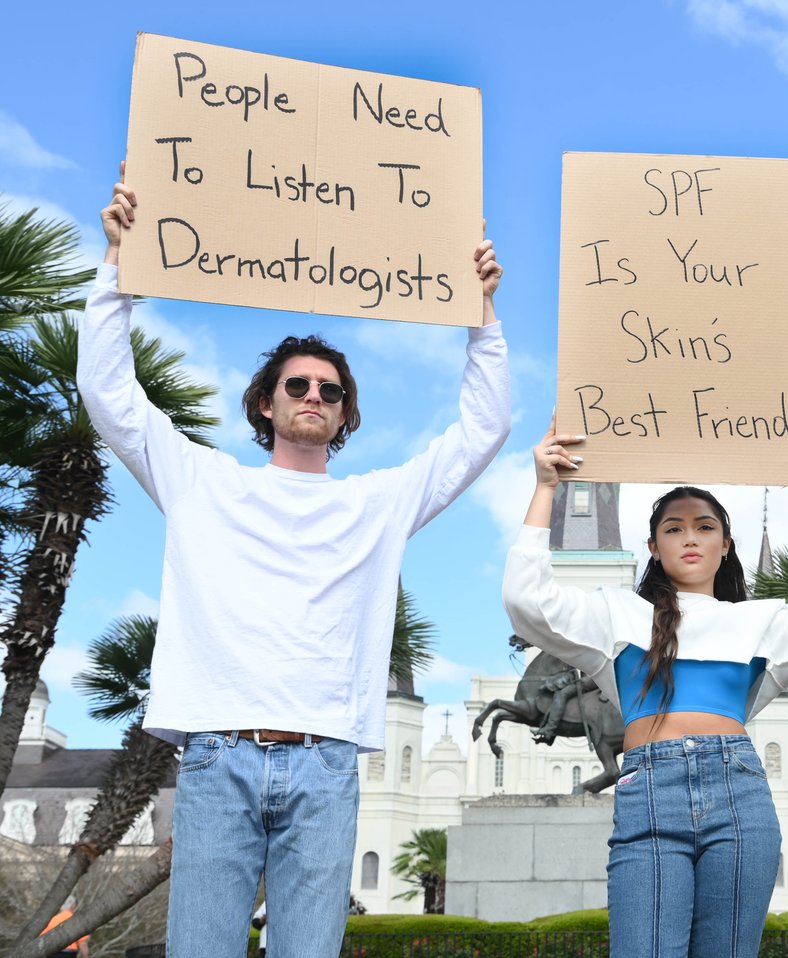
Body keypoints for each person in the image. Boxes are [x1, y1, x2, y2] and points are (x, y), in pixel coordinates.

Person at [79, 165, 511, 958]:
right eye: (297, 384)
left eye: (331, 389)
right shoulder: (202, 481)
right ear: (266, 404)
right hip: (219, 758)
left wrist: (481, 316)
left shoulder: (376, 504)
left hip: (325, 767)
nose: (314, 394)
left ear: (345, 413)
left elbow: (482, 431)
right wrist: (118, 269)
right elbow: (110, 392)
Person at [503, 425, 788, 958]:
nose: (689, 537)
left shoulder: (761, 621)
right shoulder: (616, 614)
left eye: (704, 527)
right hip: (649, 796)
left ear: (725, 546)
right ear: (654, 547)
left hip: (739, 797)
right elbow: (526, 601)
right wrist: (546, 486)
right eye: (673, 528)